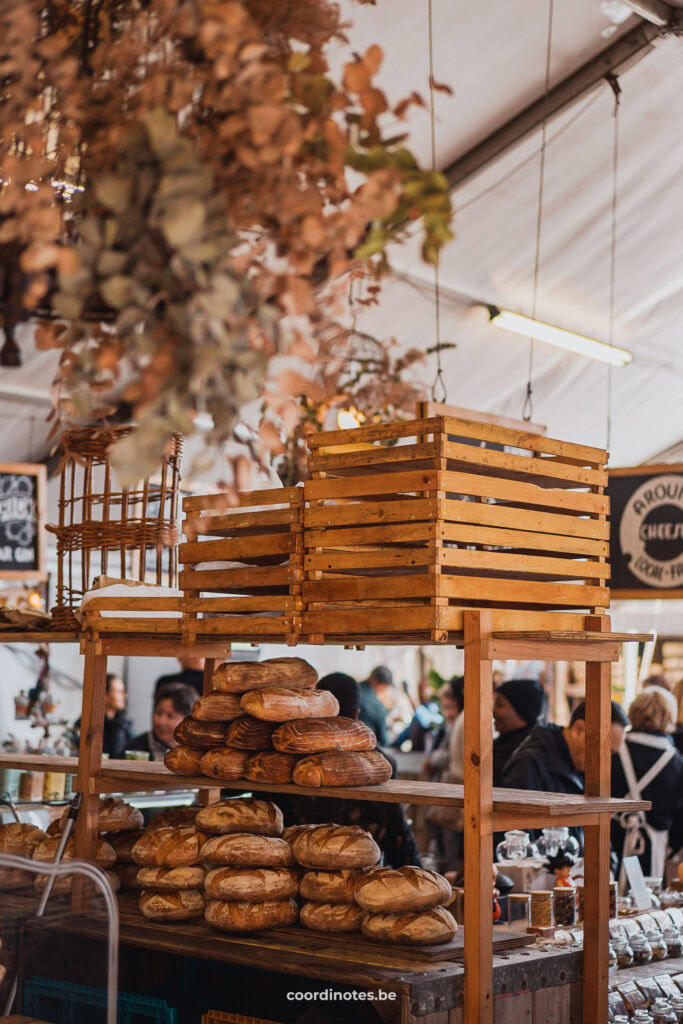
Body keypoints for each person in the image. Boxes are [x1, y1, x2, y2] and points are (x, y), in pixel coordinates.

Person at [264, 673, 421, 868]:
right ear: (356, 714)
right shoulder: (380, 764)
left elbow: (266, 826)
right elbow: (399, 841)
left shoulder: (287, 761)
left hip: (296, 878)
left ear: (316, 711)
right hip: (362, 884)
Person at [502, 699, 629, 851]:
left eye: (612, 754)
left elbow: (600, 838)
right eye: (605, 750)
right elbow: (518, 844)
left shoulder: (583, 768)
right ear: (578, 730)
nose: (607, 761)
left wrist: (608, 868)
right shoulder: (529, 764)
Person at [611, 687, 683, 884]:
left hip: (611, 840)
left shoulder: (615, 751)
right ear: (669, 717)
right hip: (654, 846)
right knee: (645, 904)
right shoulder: (676, 762)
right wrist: (671, 847)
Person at [492, 679, 545, 787]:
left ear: (521, 710)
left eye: (500, 705)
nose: (493, 710)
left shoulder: (526, 755)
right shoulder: (503, 743)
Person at [126, 682, 196, 761]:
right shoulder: (136, 748)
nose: (161, 722)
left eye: (170, 716)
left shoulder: (197, 750)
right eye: (158, 713)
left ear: (187, 720)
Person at [73, 673, 133, 759]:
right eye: (119, 691)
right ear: (104, 695)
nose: (124, 695)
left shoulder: (124, 724)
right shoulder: (86, 724)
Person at [392, 677, 443, 752]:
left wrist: (407, 693)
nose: (421, 694)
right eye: (419, 690)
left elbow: (424, 718)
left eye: (423, 690)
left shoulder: (435, 707)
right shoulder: (421, 711)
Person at [358, 666, 391, 745]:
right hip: (364, 748)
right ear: (382, 685)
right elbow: (384, 741)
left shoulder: (352, 688)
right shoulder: (377, 705)